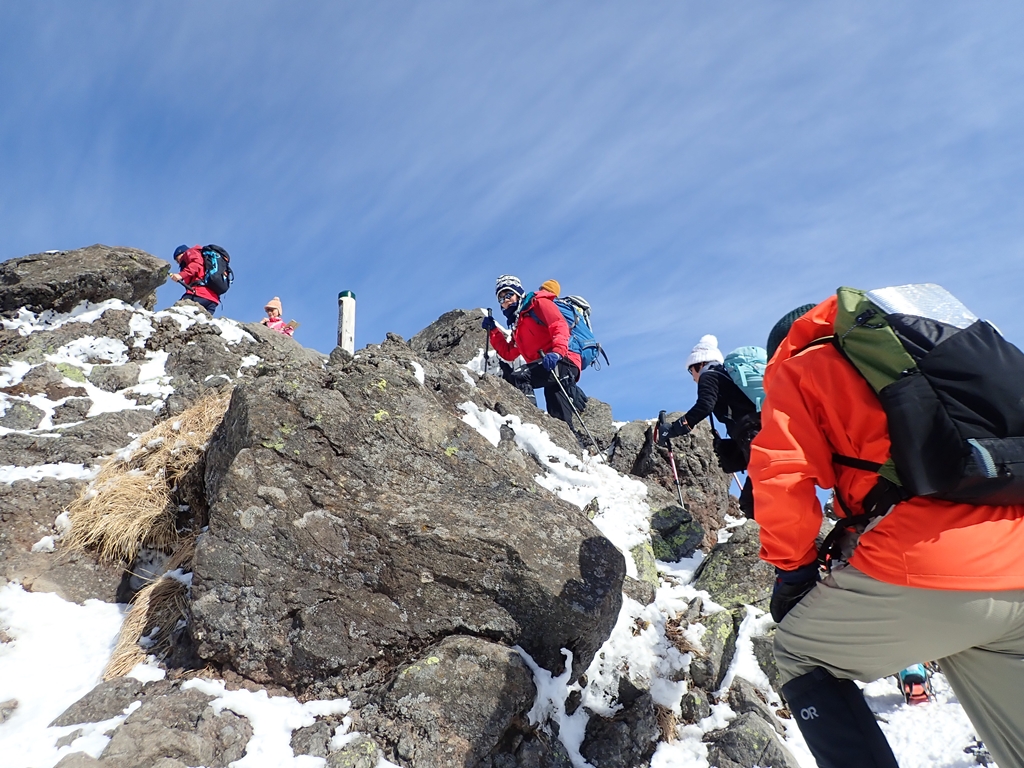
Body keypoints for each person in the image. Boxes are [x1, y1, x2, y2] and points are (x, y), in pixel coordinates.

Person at [750, 298, 1024, 768]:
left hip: (934, 562)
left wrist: (793, 571)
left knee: (797, 653)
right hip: (1015, 550)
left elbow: (781, 476)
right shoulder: (922, 351)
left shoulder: (803, 364)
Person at [657, 334, 760, 517]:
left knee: (754, 501)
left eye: (691, 371)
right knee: (758, 496)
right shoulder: (726, 376)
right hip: (762, 431)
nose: (693, 378)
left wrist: (674, 429)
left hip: (752, 434)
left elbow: (704, 406)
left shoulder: (709, 375)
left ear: (700, 363)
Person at [482, 275, 584, 428]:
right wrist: (493, 331)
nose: (505, 301)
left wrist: (557, 352)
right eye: (501, 299)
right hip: (548, 365)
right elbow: (509, 352)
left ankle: (529, 424)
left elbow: (559, 325)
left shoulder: (538, 303)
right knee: (559, 418)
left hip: (563, 359)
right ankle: (572, 440)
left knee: (520, 376)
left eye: (508, 295)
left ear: (518, 293)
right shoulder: (519, 323)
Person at [169, 244, 219, 314]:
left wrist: (181, 275)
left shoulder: (190, 252)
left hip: (199, 294)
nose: (178, 262)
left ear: (182, 253)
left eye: (177, 259)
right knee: (202, 319)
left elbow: (196, 265)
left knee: (177, 311)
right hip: (213, 300)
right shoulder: (202, 258)